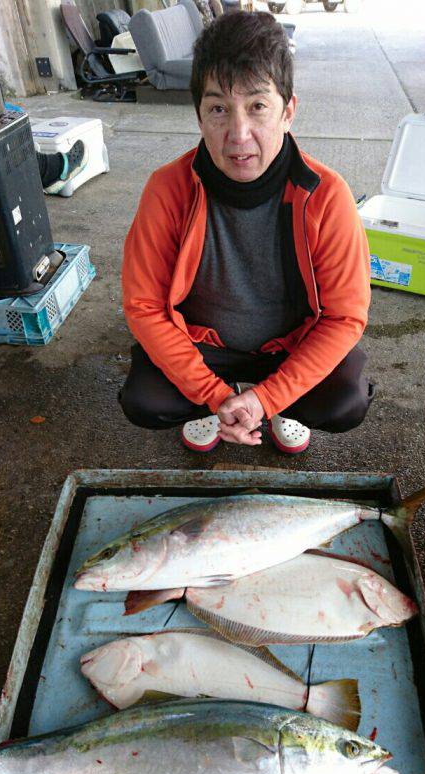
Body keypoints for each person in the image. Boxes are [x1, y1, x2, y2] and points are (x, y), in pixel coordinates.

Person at [119, 11, 374, 453]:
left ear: (288, 111)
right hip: (203, 346)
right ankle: (218, 409)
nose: (238, 134)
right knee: (144, 400)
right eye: (218, 108)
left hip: (290, 346)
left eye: (258, 106)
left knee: (345, 402)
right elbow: (143, 306)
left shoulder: (327, 194)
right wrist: (214, 394)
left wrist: (267, 397)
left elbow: (344, 316)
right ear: (199, 117)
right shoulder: (166, 188)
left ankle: (273, 409)